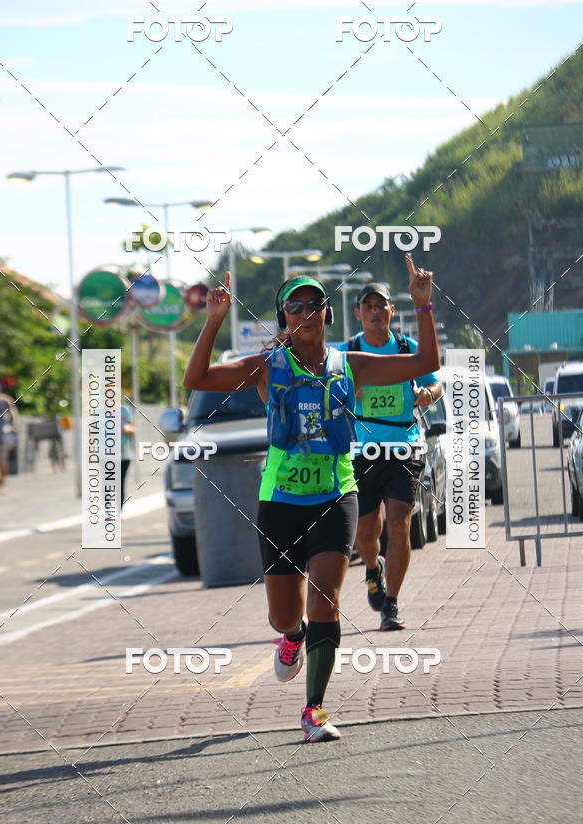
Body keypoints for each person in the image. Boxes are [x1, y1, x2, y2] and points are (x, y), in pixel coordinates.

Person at [183, 254, 439, 742]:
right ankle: (292, 636)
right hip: (280, 501)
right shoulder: (266, 367)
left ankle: (314, 711)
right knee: (285, 613)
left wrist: (423, 308)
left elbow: (426, 365)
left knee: (327, 599)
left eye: (314, 305)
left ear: (327, 314)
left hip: (335, 494)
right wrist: (213, 322)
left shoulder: (352, 364)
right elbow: (196, 380)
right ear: (284, 317)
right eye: (293, 307)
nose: (304, 313)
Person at [339, 284, 443, 630]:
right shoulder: (348, 352)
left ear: (391, 311)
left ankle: (392, 606)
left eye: (380, 305)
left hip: (404, 445)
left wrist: (428, 393)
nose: (374, 311)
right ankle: (372, 568)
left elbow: (435, 381)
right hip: (362, 452)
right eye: (367, 306)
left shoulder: (405, 348)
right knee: (366, 535)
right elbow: (323, 385)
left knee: (400, 524)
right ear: (358, 314)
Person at [121, 402, 135, 507]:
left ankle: (117, 512)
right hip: (105, 455)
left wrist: (126, 429)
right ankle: (108, 511)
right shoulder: (99, 412)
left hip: (123, 455)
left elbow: (132, 428)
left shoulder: (124, 410)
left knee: (119, 483)